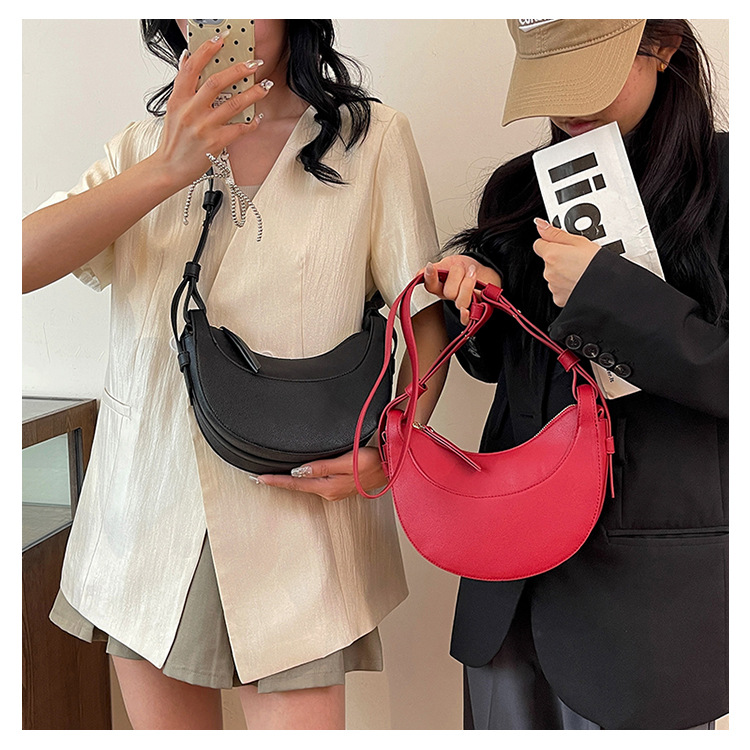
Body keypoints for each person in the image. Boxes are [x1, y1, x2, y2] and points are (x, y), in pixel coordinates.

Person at [23, 19, 448, 730]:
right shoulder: (140, 147)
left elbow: (425, 315)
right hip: (146, 518)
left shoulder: (371, 139)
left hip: (298, 518)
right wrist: (167, 168)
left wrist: (396, 448)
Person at [424, 19, 727, 730]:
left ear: (663, 49)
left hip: (650, 603)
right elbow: (505, 373)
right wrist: (477, 299)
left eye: (589, 75)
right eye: (551, 80)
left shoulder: (726, 185)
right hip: (511, 585)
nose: (568, 104)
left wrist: (608, 295)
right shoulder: (517, 188)